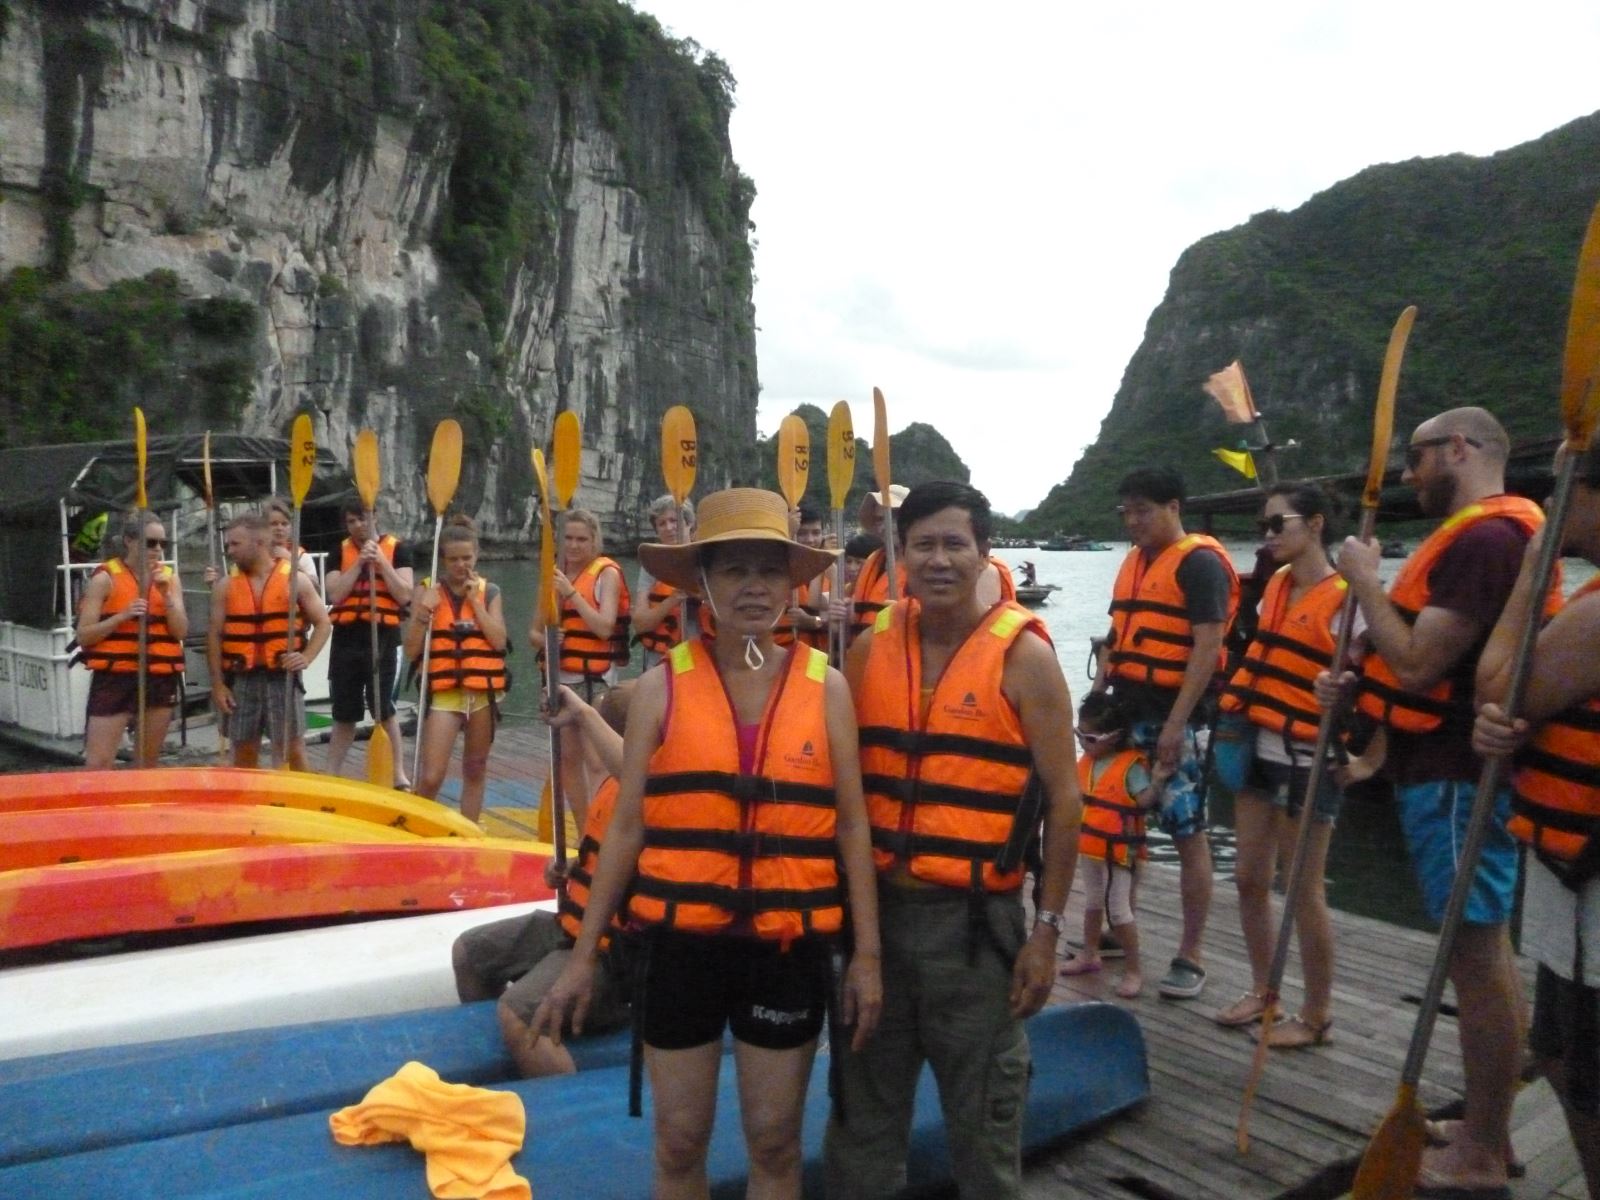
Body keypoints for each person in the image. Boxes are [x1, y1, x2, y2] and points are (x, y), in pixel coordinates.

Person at [530, 488, 880, 1200]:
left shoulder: (829, 689)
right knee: (680, 1141)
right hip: (680, 947)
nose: (753, 587)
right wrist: (584, 956)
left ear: (793, 584)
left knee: (776, 1144)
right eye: (733, 571)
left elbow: (850, 826)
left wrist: (867, 956)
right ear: (705, 585)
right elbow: (627, 827)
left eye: (770, 571)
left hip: (786, 950)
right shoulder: (660, 689)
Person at [824, 480, 1082, 1200]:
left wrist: (1048, 933)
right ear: (899, 554)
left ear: (984, 553)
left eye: (954, 544)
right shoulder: (870, 651)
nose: (938, 560)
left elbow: (1066, 803)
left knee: (985, 1129)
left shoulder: (1023, 659)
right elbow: (838, 792)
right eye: (923, 544)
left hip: (975, 931)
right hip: (875, 923)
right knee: (861, 1125)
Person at [1319, 406, 1553, 1196]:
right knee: (1480, 951)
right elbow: (1412, 658)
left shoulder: (1487, 540)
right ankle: (1489, 1123)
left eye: (1416, 458)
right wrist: (1358, 672)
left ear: (1460, 448)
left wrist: (1361, 581)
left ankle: (1484, 1150)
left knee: (1475, 952)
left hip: (1456, 776)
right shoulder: (1482, 538)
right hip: (1435, 768)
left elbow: (1420, 665)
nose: (1411, 474)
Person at [1473, 439, 1600, 1200]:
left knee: (1580, 1069)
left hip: (1588, 881)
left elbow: (1498, 684)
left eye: (1565, 491)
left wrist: (1531, 567)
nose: (1552, 507)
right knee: (1559, 1054)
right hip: (1571, 870)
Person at [1093, 466, 1239, 1000]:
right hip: (1128, 711)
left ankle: (1191, 954)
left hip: (1180, 715)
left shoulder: (1199, 565)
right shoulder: (1133, 562)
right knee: (1120, 821)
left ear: (1174, 507)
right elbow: (1116, 633)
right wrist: (1098, 695)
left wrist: (1177, 725)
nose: (1133, 522)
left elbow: (1207, 645)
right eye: (1127, 512)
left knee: (1186, 830)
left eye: (1143, 511)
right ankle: (1118, 922)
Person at [1211, 483, 1347, 1046]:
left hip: (1308, 757)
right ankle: (1266, 990)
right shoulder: (1274, 589)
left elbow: (1386, 683)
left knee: (1301, 887)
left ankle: (1316, 1016)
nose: (1266, 536)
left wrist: (1363, 746)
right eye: (1263, 526)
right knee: (1248, 877)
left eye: (1276, 524)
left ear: (1314, 524)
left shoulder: (1350, 599)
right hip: (1258, 743)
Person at [453, 683, 633, 1076]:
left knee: (516, 1013)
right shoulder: (610, 784)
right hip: (570, 927)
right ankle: (504, 1060)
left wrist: (584, 714)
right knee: (471, 954)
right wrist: (572, 867)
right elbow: (601, 852)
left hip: (613, 954)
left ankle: (566, 1103)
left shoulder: (660, 792)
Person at [1060, 691, 1169, 1000]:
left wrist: (1158, 781)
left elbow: (1144, 801)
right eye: (1079, 734)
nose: (1084, 742)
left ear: (1115, 736)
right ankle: (1090, 953)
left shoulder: (1129, 766)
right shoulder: (1086, 763)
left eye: (1091, 737)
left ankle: (1134, 969)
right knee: (1093, 902)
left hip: (1121, 852)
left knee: (1119, 911)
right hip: (1091, 846)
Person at [531, 508, 631, 827]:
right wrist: (548, 638)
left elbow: (604, 627)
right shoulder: (553, 576)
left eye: (581, 540)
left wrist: (571, 593)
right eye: (569, 539)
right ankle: (585, 827)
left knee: (596, 761)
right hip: (560, 678)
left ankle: (603, 825)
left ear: (594, 541)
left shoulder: (606, 574)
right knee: (568, 761)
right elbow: (533, 633)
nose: (574, 546)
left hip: (594, 680)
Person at [208, 511, 331, 769]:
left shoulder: (295, 580)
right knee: (243, 753)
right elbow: (215, 637)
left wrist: (306, 657)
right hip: (241, 679)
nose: (229, 550)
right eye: (228, 544)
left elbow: (323, 623)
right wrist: (218, 686)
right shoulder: (225, 586)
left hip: (282, 678)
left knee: (294, 752)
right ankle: (246, 805)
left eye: (235, 544)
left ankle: (301, 804)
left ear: (259, 544)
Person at [404, 517, 507, 825]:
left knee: (475, 767)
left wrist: (475, 603)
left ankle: (470, 831)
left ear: (476, 556)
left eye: (467, 558)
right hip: (445, 695)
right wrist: (424, 613)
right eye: (453, 559)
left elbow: (499, 642)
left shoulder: (490, 592)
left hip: (483, 694)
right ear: (442, 560)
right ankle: (417, 827)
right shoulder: (426, 591)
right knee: (433, 775)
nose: (461, 565)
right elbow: (410, 650)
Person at [75, 509, 188, 768]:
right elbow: (84, 635)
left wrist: (167, 596)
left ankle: (142, 807)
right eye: (150, 542)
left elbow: (180, 631)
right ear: (129, 541)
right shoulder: (105, 578)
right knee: (99, 762)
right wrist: (121, 616)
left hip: (159, 675)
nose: (157, 549)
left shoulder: (170, 578)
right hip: (117, 676)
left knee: (147, 763)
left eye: (163, 543)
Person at [324, 496, 414, 789]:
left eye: (362, 518)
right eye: (351, 521)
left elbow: (404, 595)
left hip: (383, 638)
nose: (358, 526)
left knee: (383, 707)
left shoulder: (398, 550)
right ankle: (333, 772)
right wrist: (360, 562)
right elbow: (335, 595)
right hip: (347, 638)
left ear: (374, 516)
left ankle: (398, 772)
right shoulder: (339, 552)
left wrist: (381, 563)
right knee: (344, 710)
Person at [632, 495, 696, 667]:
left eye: (674, 520)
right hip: (659, 660)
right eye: (662, 523)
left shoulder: (707, 561)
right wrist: (673, 599)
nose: (669, 528)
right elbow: (640, 624)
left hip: (698, 656)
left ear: (689, 523)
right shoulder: (650, 566)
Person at [846, 484, 907, 642]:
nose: (887, 525)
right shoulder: (872, 560)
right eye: (881, 519)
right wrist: (843, 614)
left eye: (894, 517)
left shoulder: (923, 564)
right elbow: (854, 615)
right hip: (863, 654)